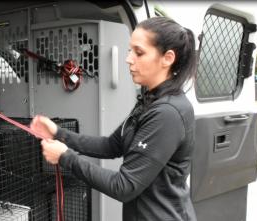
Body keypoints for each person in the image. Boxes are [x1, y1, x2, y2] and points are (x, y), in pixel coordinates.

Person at [31, 16, 197, 221]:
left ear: (168, 58)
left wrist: (66, 157)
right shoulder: (151, 101)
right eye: (130, 51)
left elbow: (124, 186)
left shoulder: (168, 113)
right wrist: (58, 133)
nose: (129, 59)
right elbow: (110, 145)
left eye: (139, 52)